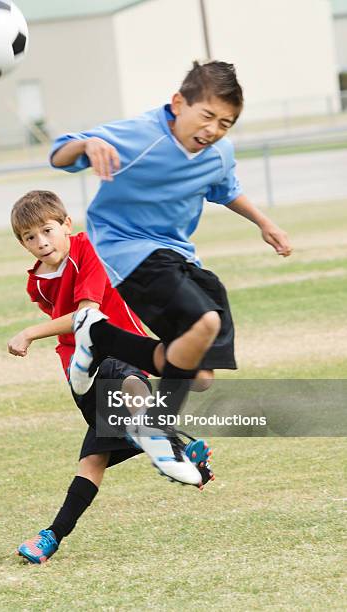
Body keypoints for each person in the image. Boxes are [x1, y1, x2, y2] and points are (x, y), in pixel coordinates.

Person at [50, 60, 292, 485]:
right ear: (178, 103)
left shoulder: (219, 152)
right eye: (208, 116)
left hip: (178, 255)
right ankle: (155, 431)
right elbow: (58, 153)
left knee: (198, 375)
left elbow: (227, 189)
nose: (215, 129)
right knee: (206, 320)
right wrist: (86, 147)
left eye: (226, 122)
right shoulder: (140, 135)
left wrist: (264, 223)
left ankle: (99, 335)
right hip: (125, 247)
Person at [7, 190, 212, 564]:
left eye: (47, 230)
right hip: (78, 370)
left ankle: (52, 535)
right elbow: (70, 325)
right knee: (97, 454)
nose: (41, 242)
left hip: (118, 353)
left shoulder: (92, 250)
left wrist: (29, 332)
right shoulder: (35, 283)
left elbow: (87, 316)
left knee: (116, 401)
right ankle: (173, 450)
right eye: (29, 237)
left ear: (67, 224)